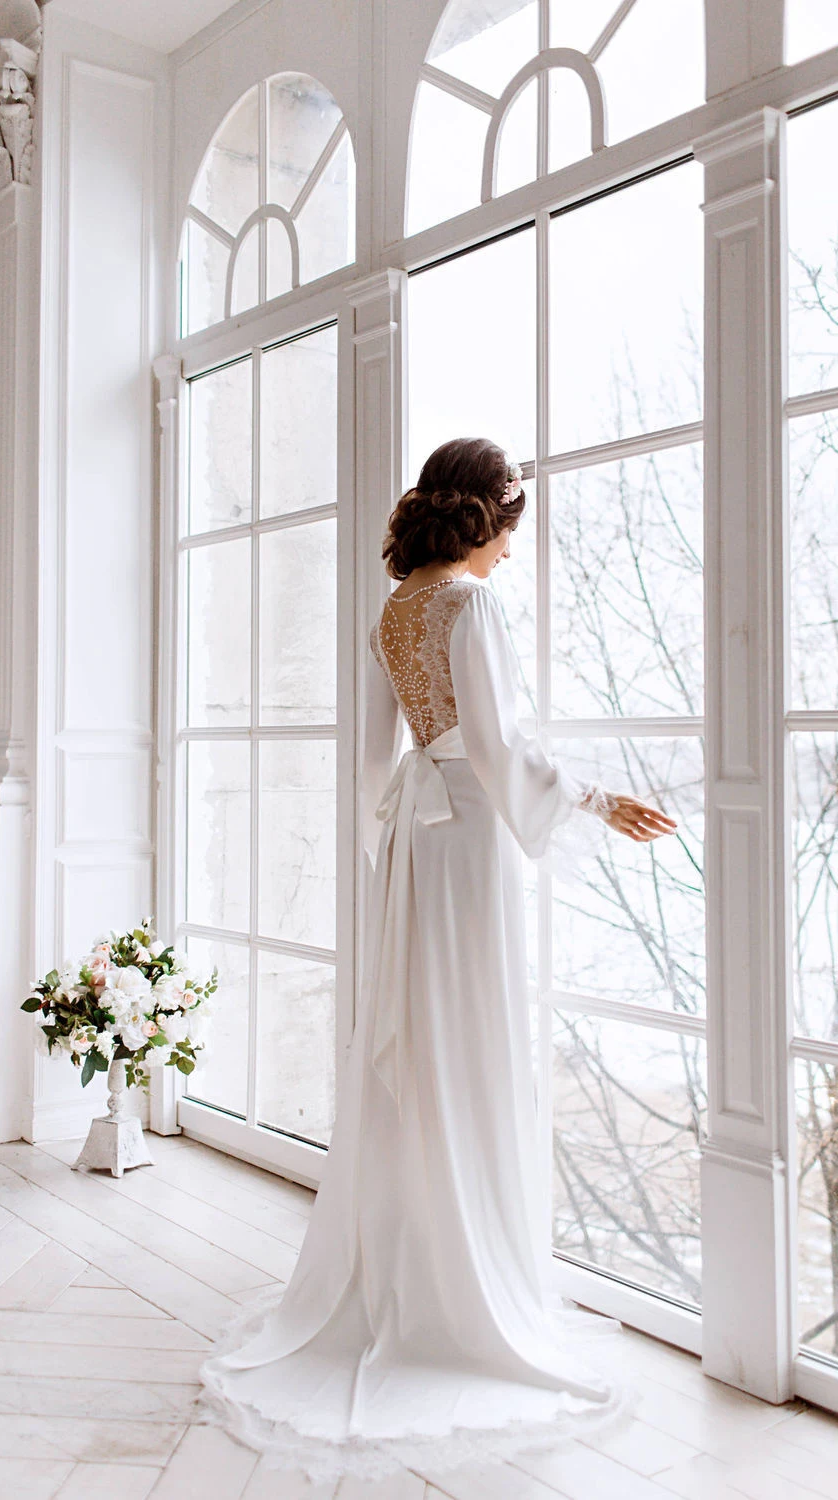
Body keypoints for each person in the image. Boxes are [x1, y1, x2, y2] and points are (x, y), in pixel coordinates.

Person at [199, 436, 677, 1482]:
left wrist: (387, 847)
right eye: (517, 527)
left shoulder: (396, 606)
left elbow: (385, 753)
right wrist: (599, 800)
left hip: (416, 839)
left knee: (425, 1043)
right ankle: (468, 1288)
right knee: (471, 1040)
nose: (515, 550)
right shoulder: (468, 604)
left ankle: (416, 1264)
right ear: (493, 514)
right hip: (464, 841)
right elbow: (501, 748)